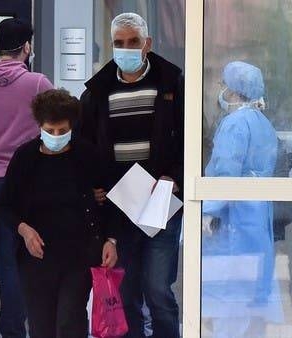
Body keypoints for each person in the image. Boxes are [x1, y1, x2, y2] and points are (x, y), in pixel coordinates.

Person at [78, 12, 184, 338]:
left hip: (160, 202)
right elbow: (85, 147)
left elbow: (191, 138)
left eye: (133, 42)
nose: (126, 49)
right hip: (118, 208)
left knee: (157, 289)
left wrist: (174, 177)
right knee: (126, 293)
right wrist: (94, 187)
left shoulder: (172, 84)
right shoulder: (96, 93)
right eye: (119, 43)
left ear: (147, 44)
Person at [0, 89, 118, 338]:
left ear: (72, 127)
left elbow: (111, 200)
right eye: (50, 131)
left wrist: (111, 240)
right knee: (41, 326)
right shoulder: (25, 157)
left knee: (69, 320)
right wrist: (24, 229)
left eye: (63, 131)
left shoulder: (87, 155)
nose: (56, 136)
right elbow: (4, 206)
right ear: (40, 126)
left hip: (80, 255)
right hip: (36, 258)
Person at [201, 61, 283, 338]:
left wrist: (209, 210)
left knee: (230, 298)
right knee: (252, 304)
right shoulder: (263, 123)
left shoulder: (234, 123)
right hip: (256, 215)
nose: (221, 89)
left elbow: (226, 171)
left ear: (236, 91)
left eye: (224, 84)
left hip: (234, 217)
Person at [0, 17, 53, 337]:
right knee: (14, 263)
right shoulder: (37, 84)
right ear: (27, 47)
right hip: (18, 186)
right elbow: (60, 126)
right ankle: (12, 332)